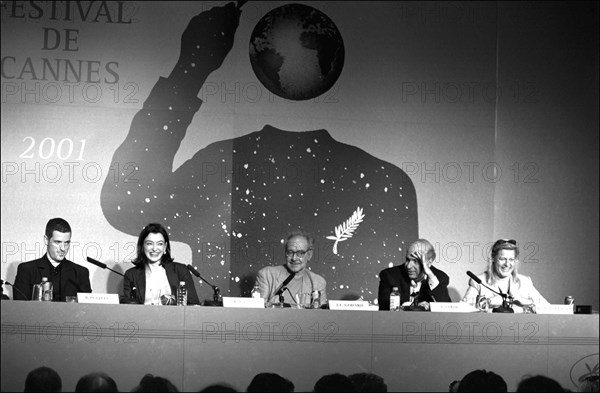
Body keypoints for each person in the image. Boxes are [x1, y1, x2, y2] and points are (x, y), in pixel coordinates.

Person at [13, 218, 91, 301]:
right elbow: (19, 310)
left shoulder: (81, 273)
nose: (63, 248)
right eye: (58, 242)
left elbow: (86, 310)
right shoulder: (27, 270)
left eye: (67, 243)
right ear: (46, 240)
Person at [461, 239, 549, 313]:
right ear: (493, 259)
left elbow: (547, 309)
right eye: (502, 259)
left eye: (511, 259)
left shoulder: (525, 281)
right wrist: (488, 302)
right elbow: (463, 310)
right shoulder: (478, 281)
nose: (507, 264)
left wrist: (524, 301)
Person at [123, 223, 200, 305]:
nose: (155, 248)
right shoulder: (131, 275)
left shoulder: (180, 271)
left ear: (165, 247)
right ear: (142, 246)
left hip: (175, 317)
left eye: (159, 244)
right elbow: (129, 308)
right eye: (149, 243)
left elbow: (193, 304)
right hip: (143, 317)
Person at [254, 230, 327, 307]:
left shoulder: (318, 282)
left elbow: (321, 316)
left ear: (309, 255)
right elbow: (258, 312)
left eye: (300, 253)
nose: (294, 258)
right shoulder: (267, 275)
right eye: (290, 252)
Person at [378, 239, 451, 310]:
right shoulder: (390, 275)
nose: (409, 266)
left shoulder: (439, 278)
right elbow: (384, 305)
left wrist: (430, 276)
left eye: (415, 261)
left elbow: (448, 310)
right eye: (408, 260)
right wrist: (411, 307)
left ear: (429, 262)